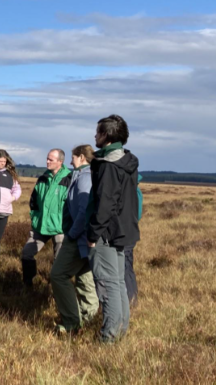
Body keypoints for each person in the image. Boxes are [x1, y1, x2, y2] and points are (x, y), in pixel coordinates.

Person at [87, 115, 140, 343]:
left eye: (98, 132)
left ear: (106, 135)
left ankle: (108, 338)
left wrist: (93, 233)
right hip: (124, 230)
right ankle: (120, 332)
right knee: (118, 283)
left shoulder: (108, 166)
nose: (95, 136)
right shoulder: (127, 160)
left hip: (107, 234)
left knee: (108, 285)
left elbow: (105, 203)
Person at [48, 145, 99, 335]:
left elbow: (84, 209)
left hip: (79, 237)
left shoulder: (85, 177)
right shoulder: (87, 175)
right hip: (86, 238)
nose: (71, 162)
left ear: (81, 158)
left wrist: (72, 233)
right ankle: (90, 318)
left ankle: (71, 322)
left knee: (58, 275)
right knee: (84, 277)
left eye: (73, 157)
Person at [21, 149, 72, 287]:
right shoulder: (43, 178)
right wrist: (35, 217)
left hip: (60, 228)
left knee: (59, 262)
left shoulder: (69, 178)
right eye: (47, 158)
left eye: (51, 160)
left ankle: (56, 290)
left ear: (60, 162)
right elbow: (34, 201)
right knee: (26, 254)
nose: (47, 161)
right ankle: (28, 284)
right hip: (40, 226)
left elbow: (73, 205)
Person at [0, 149, 22, 273]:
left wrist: (12, 198)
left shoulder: (9, 175)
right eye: (0, 161)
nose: (3, 163)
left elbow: (17, 189)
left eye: (4, 161)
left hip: (3, 212)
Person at [125, 173, 143, 309]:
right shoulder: (136, 191)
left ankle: (131, 299)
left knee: (125, 268)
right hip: (130, 233)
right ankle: (132, 298)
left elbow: (135, 214)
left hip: (125, 234)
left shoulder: (132, 193)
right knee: (128, 267)